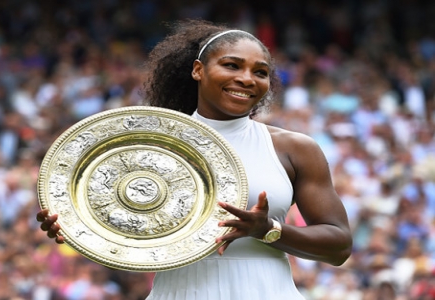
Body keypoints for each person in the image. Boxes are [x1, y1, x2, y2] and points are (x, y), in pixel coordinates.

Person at [37, 19, 353, 299]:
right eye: (232, 65)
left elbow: (338, 245)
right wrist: (78, 224)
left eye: (260, 72)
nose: (247, 78)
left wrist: (267, 229)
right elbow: (125, 226)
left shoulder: (295, 148)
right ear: (198, 70)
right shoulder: (149, 145)